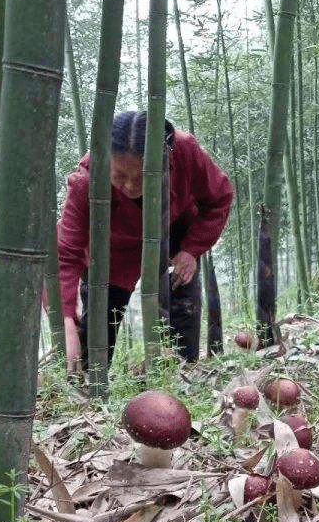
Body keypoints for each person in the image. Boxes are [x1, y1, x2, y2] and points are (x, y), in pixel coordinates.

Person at [58, 110, 234, 371]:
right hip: (110, 252)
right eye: (119, 176)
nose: (129, 186)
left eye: (141, 177)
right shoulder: (86, 181)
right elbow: (66, 253)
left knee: (183, 320)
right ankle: (93, 390)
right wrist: (65, 318)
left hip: (173, 235)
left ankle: (181, 382)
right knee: (94, 339)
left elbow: (219, 197)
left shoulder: (184, 149)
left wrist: (191, 249)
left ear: (165, 159)